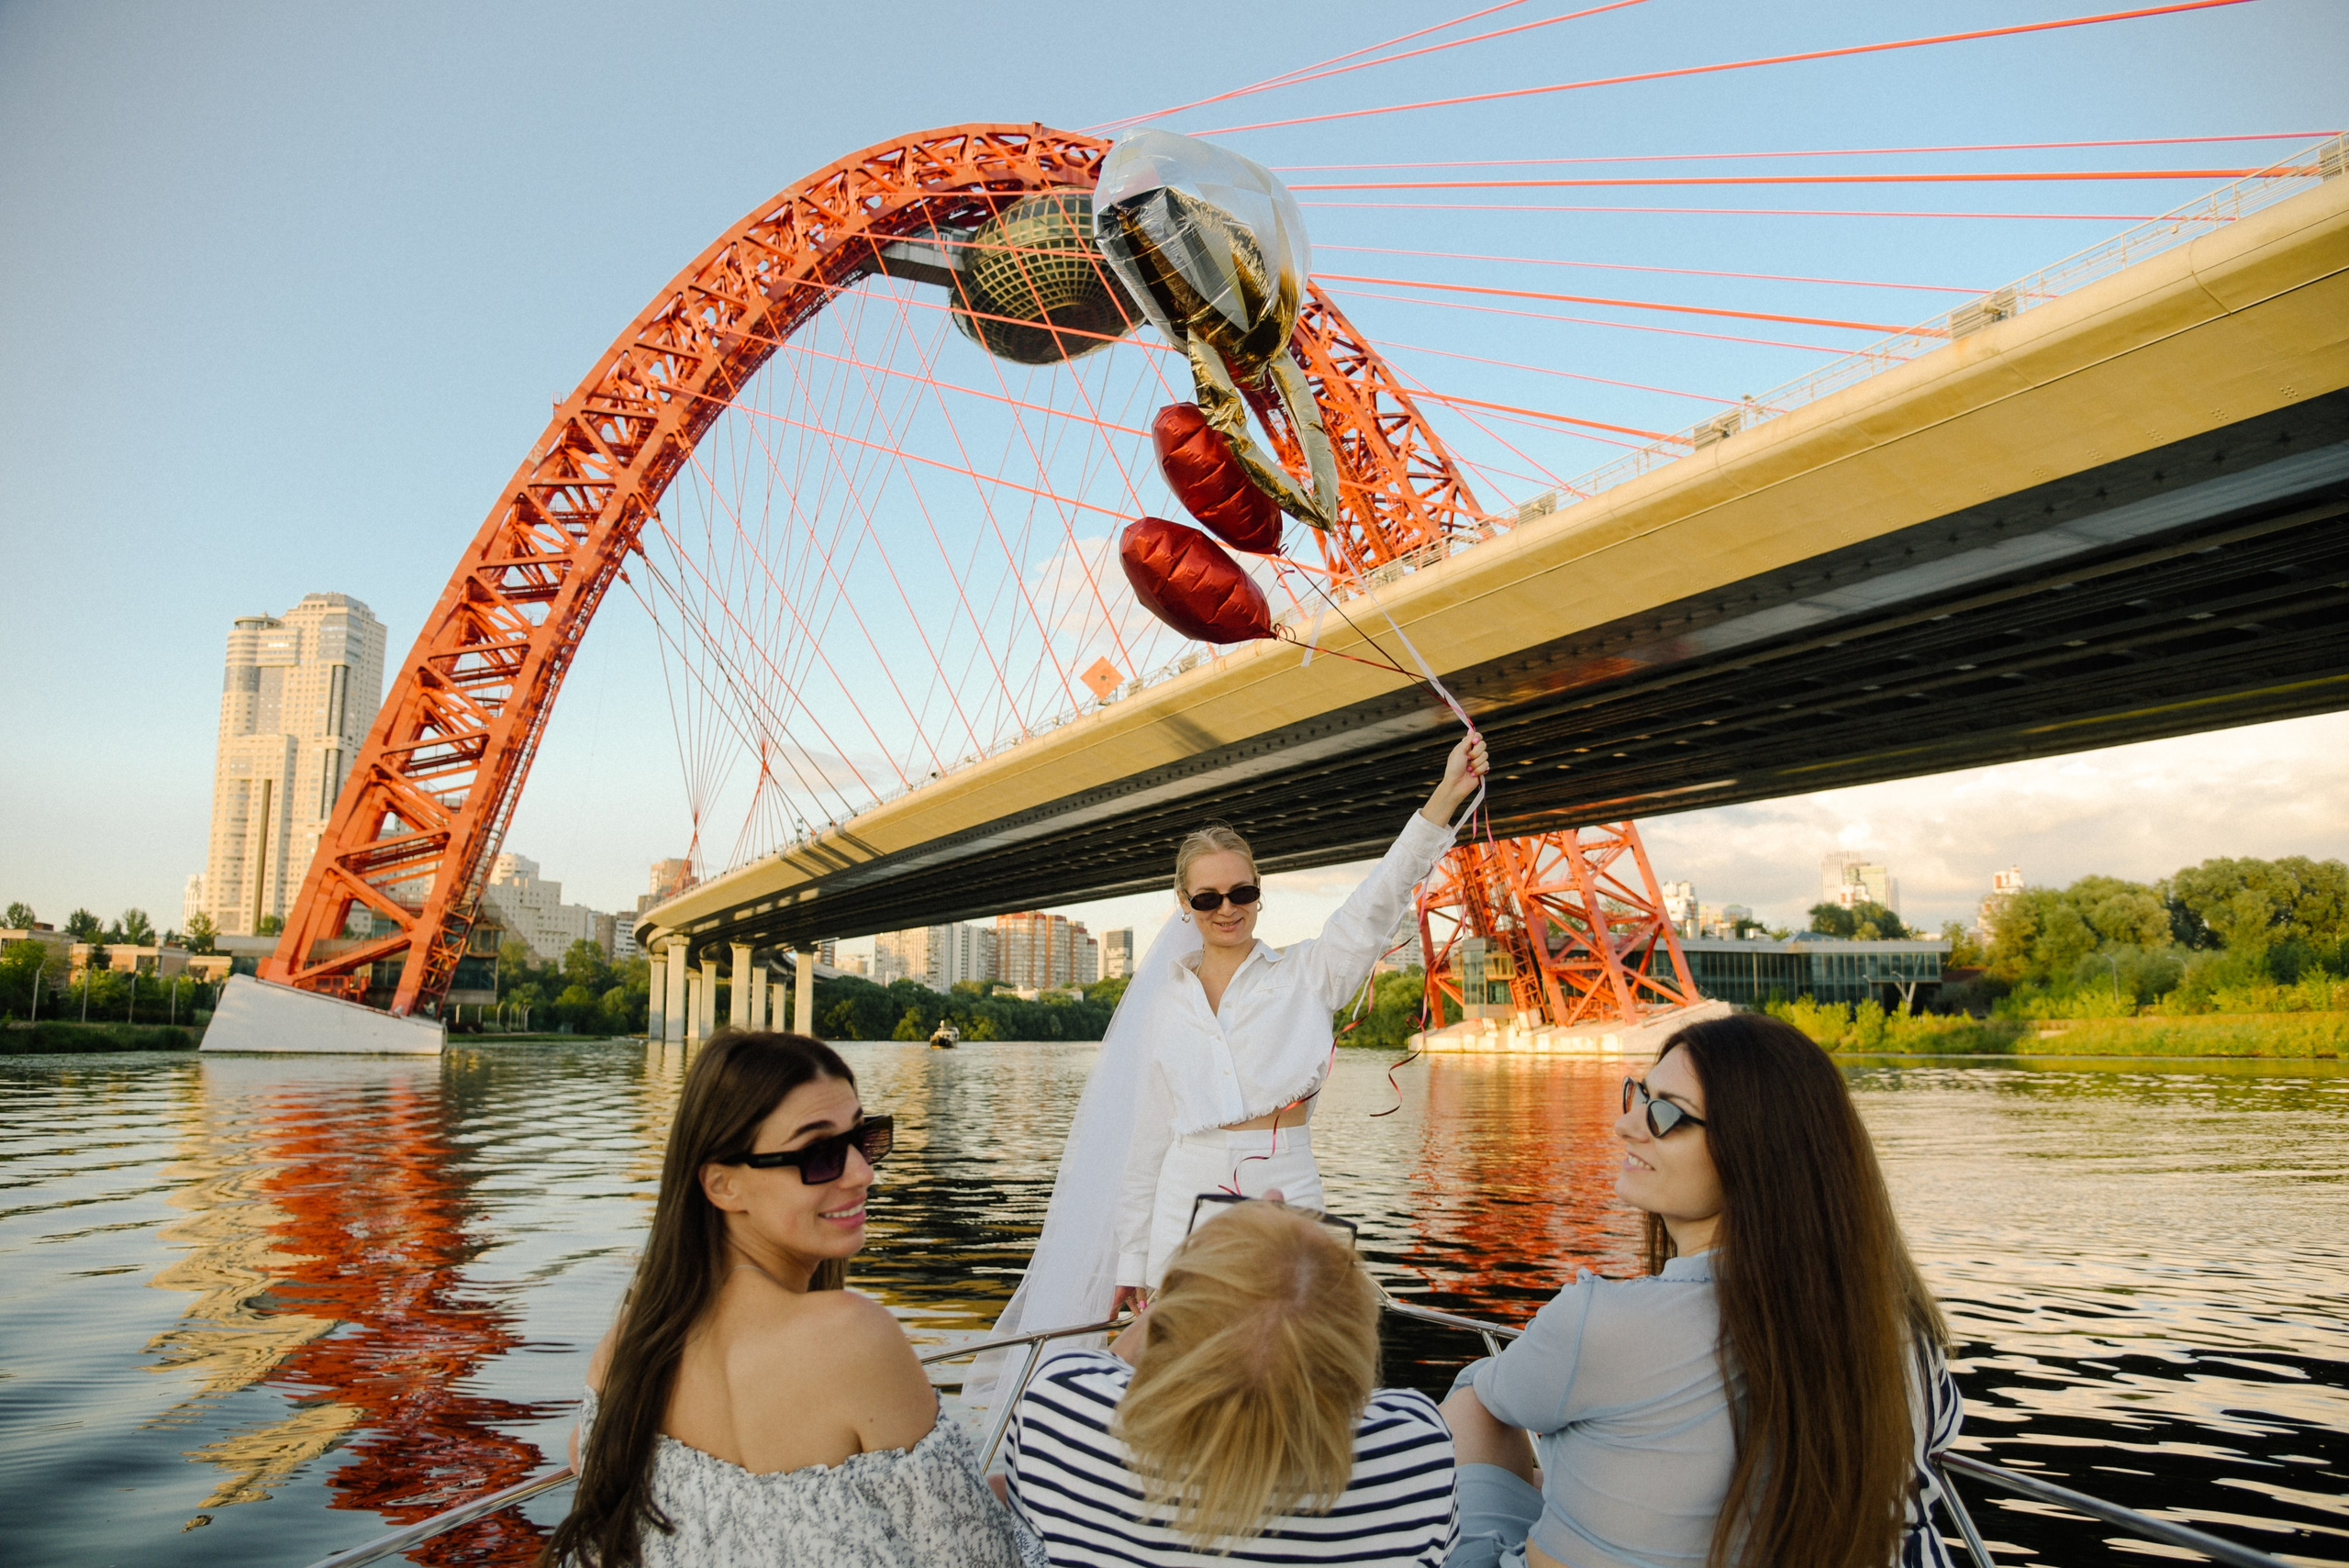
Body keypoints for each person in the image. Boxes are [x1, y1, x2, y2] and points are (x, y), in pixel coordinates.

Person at [971, 729, 1486, 1411]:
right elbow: (1147, 1144)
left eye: (1240, 890)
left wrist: (1446, 794)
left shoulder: (1309, 974)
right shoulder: (1162, 1006)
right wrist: (1131, 1262)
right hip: (1181, 1193)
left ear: (1258, 892)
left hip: (1286, 1180)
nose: (1227, 908)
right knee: (1184, 1365)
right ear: (1184, 904)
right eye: (1208, 897)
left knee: (1294, 1354)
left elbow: (1379, 896)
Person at [1441, 1014, 1963, 1568]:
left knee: (1475, 1404)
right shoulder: (1900, 1332)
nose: (1626, 1125)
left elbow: (1494, 1396)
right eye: (1640, 1094)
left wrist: (1569, 1468)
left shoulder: (1602, 1321)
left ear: (1755, 1152)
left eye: (1667, 1113)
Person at [543, 1031, 1033, 1568]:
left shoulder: (625, 1350)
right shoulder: (851, 1336)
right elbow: (983, 1559)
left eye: (865, 1138)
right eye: (818, 1153)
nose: (863, 1173)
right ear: (723, 1185)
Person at [1002, 1197, 1458, 1565]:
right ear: (1355, 1349)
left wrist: (1201, 1286)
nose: (1275, 1200)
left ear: (1170, 1321)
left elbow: (1116, 1371)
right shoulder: (1416, 1447)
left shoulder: (1059, 1405)